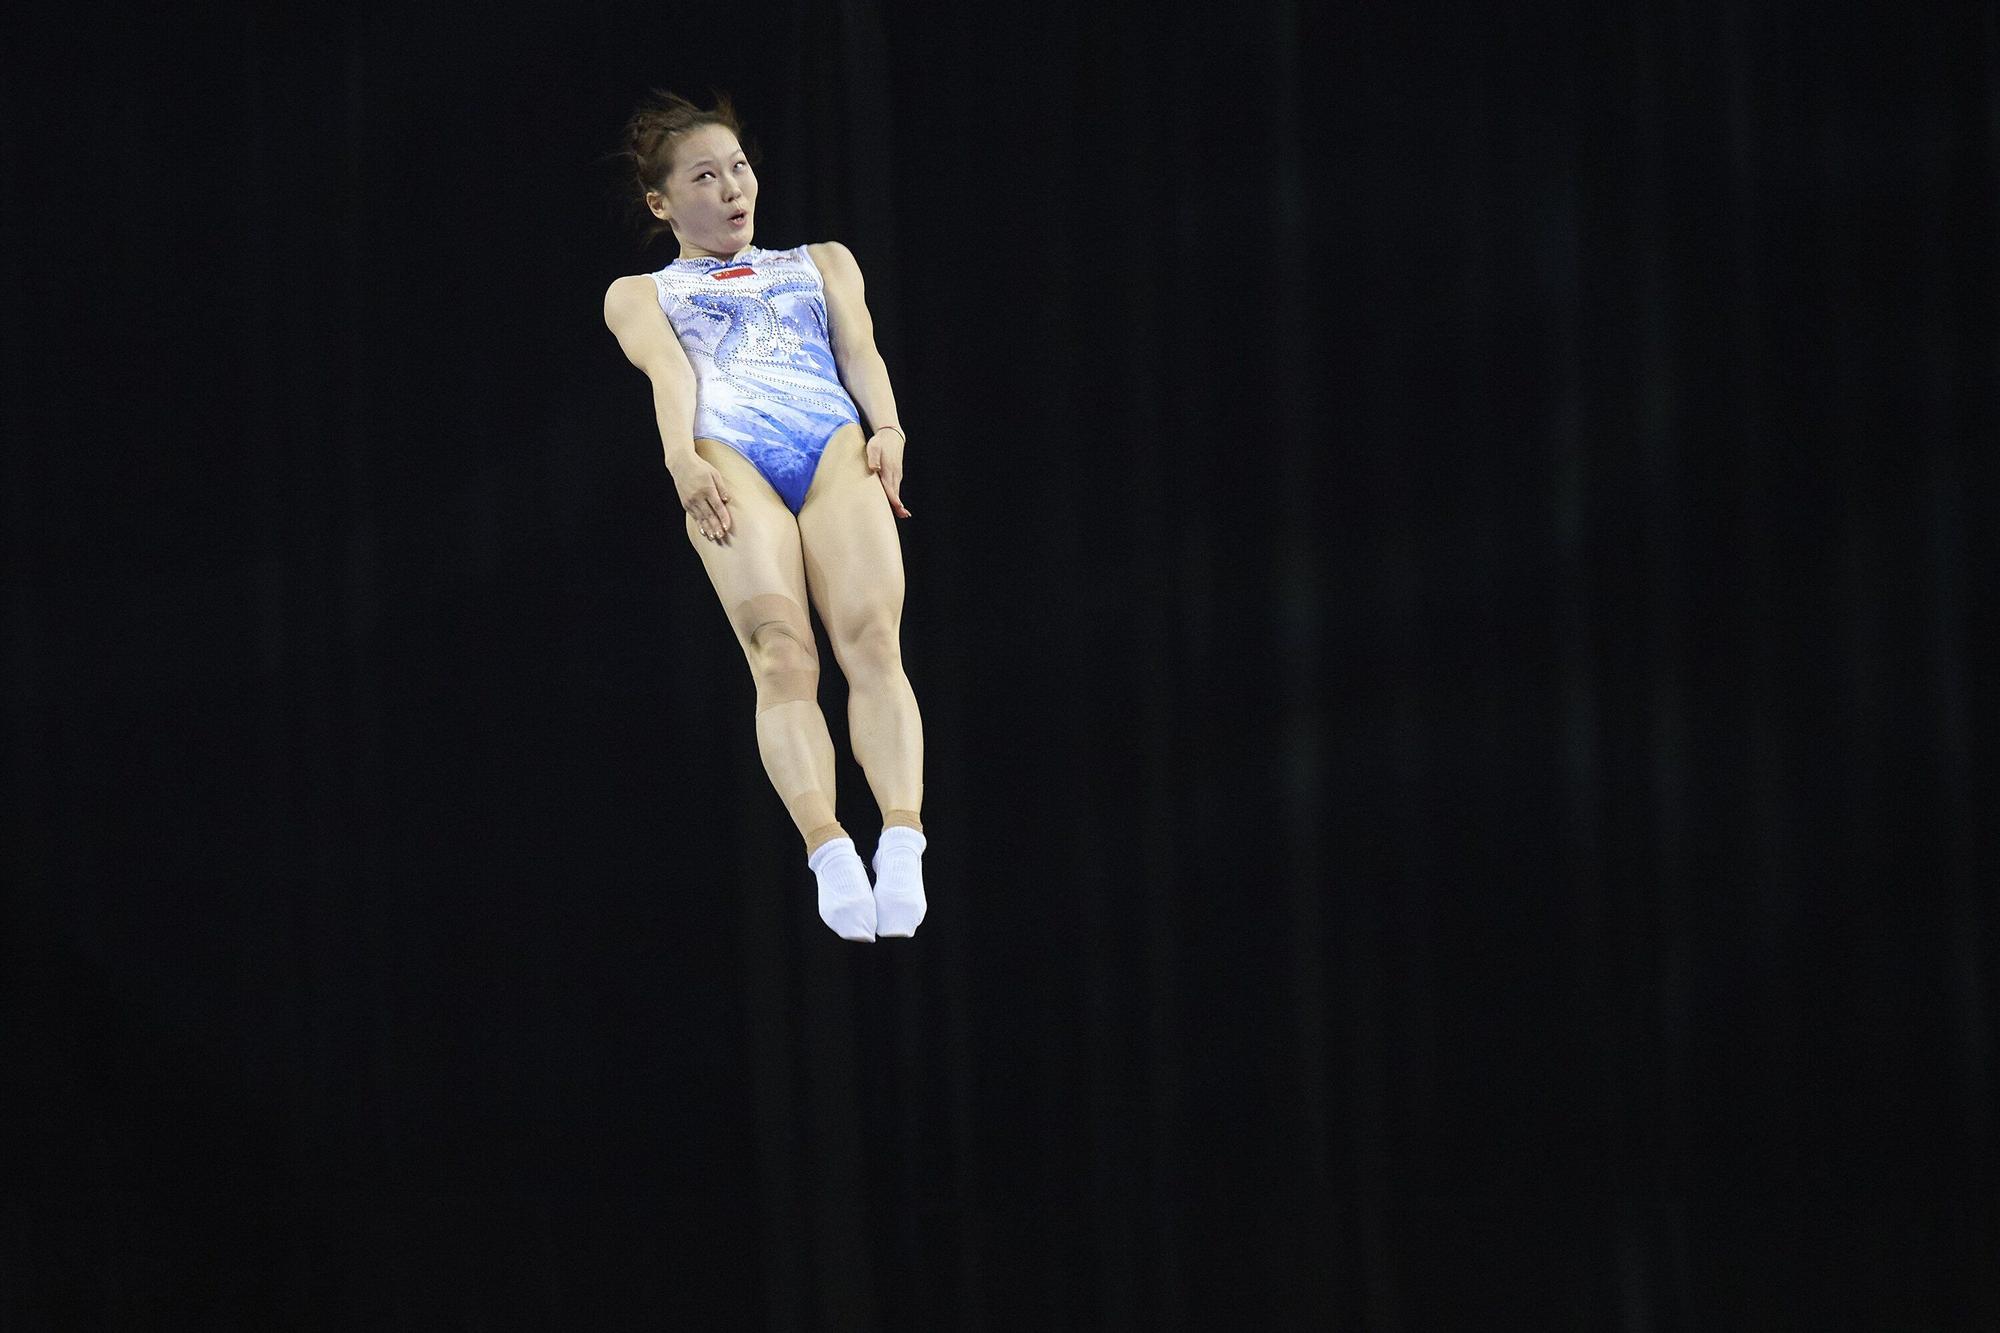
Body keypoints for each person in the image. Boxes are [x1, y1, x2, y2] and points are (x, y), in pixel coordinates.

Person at [602, 90, 926, 943]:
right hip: (730, 458)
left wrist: (888, 426)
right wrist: (681, 460)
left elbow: (859, 350)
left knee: (873, 643)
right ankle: (827, 846)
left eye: (738, 167)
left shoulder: (824, 260)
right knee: (783, 656)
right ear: (662, 203)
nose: (733, 188)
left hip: (828, 446)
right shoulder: (641, 292)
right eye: (705, 178)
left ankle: (900, 834)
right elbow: (672, 377)